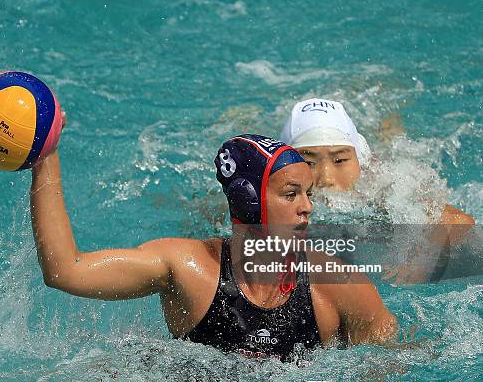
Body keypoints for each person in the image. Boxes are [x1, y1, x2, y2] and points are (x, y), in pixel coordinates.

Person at [30, 128, 397, 360]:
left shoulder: (339, 285)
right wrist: (46, 156)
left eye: (308, 193)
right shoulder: (189, 269)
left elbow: (394, 363)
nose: (307, 207)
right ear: (248, 200)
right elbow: (66, 271)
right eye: (291, 194)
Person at [280, 98, 475, 282]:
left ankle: (389, 124)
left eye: (340, 160)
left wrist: (421, 258)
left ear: (358, 160)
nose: (326, 178)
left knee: (392, 145)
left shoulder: (380, 189)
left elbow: (457, 220)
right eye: (308, 162)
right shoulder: (279, 193)